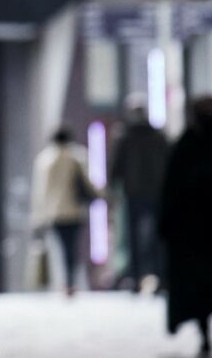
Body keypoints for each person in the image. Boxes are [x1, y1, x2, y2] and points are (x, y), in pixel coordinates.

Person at [160, 97, 212, 356]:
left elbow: (171, 189)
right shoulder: (186, 144)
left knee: (199, 288)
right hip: (196, 231)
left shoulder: (186, 144)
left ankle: (204, 334)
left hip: (192, 232)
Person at [29, 127, 100, 296]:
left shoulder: (44, 161)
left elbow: (40, 191)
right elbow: (86, 183)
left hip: (54, 213)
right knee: (72, 248)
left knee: (60, 247)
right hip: (74, 211)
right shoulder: (76, 157)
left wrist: (38, 215)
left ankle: (63, 282)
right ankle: (70, 281)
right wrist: (99, 195)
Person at [109, 100, 168, 292]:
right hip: (156, 192)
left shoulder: (125, 137)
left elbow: (116, 167)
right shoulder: (158, 136)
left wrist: (112, 189)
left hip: (133, 192)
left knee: (132, 238)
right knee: (158, 237)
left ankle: (135, 277)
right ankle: (159, 276)